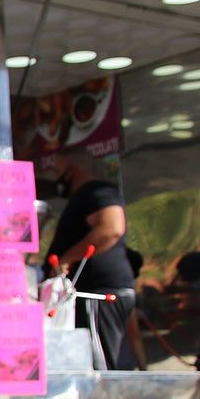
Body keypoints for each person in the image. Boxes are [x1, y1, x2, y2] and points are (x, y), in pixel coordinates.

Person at [43, 148, 136, 370]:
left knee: (103, 374)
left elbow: (112, 227)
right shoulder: (86, 196)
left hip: (98, 296)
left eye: (58, 172)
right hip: (95, 297)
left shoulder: (95, 191)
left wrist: (67, 259)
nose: (56, 180)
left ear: (71, 171)